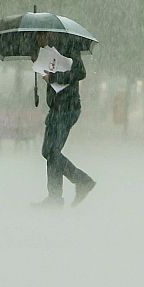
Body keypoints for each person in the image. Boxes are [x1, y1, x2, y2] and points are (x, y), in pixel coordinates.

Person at [31, 31, 96, 208]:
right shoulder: (45, 51)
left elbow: (80, 72)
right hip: (56, 108)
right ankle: (63, 192)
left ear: (48, 33)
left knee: (52, 152)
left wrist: (53, 77)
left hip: (68, 108)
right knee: (48, 152)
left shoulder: (68, 46)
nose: (38, 41)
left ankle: (72, 187)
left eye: (39, 37)